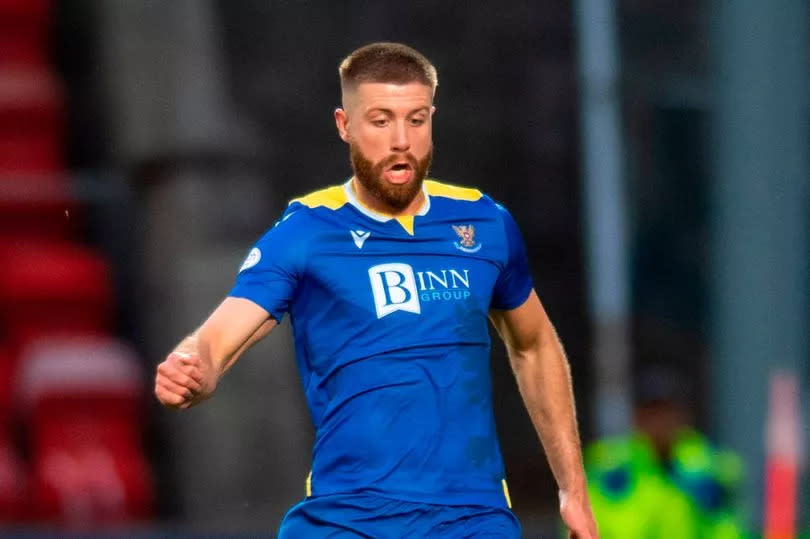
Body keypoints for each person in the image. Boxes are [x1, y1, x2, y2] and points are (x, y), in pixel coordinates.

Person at [154, 42, 598, 538]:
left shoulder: (485, 222)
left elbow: (534, 345)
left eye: (416, 119)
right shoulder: (307, 232)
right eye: (381, 120)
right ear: (345, 125)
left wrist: (572, 490)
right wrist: (199, 367)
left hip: (474, 520)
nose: (401, 140)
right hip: (349, 519)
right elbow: (223, 333)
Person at [584, 365, 744, 539]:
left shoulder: (707, 467)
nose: (659, 422)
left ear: (682, 416)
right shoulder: (612, 468)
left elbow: (728, 524)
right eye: (651, 413)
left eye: (665, 412)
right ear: (636, 417)